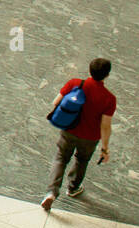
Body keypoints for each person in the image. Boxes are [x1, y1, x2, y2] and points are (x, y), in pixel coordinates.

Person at [41, 58, 116, 212]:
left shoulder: (75, 84)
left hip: (69, 130)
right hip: (90, 137)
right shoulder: (109, 98)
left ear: (89, 70)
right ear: (107, 75)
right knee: (82, 160)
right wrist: (105, 148)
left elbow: (56, 102)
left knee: (61, 158)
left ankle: (51, 193)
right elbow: (106, 125)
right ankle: (73, 188)